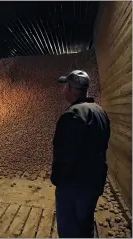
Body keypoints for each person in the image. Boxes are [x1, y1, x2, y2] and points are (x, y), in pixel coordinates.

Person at [50, 70, 111, 238]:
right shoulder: (100, 112)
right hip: (93, 183)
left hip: (73, 187)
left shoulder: (71, 116)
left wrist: (57, 180)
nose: (62, 89)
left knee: (70, 230)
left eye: (64, 86)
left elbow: (64, 155)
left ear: (70, 88)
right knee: (85, 227)